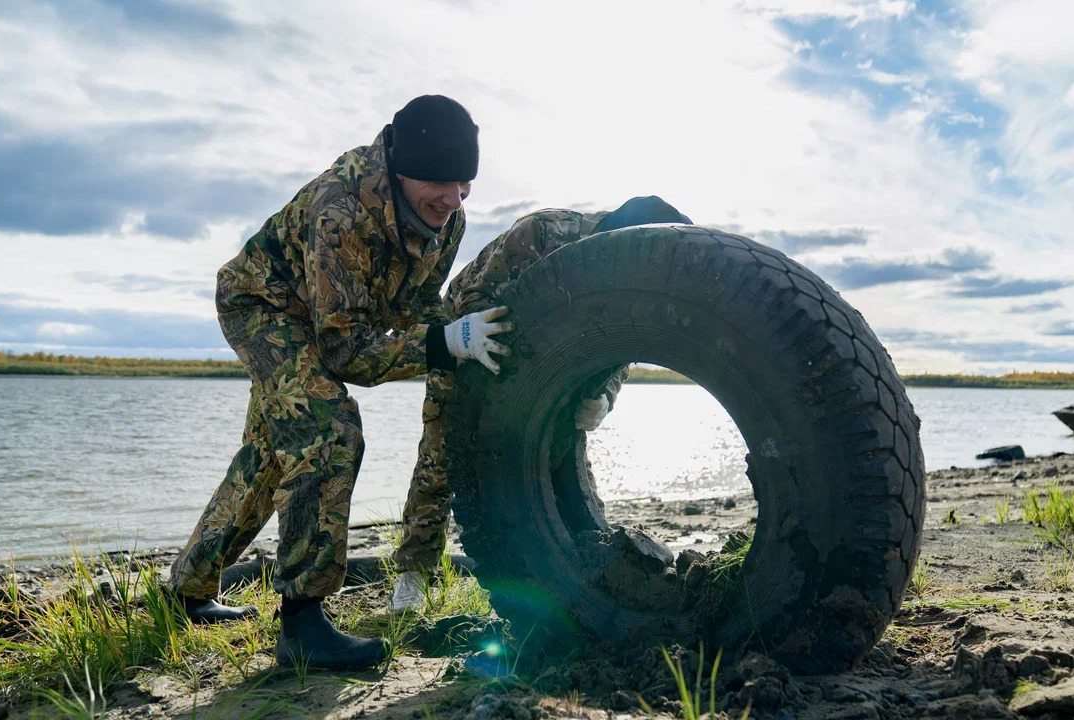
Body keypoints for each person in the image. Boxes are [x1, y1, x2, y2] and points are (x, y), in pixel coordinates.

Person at [166, 95, 512, 670]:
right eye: (442, 182)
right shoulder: (341, 211)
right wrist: (444, 345)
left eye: (465, 184)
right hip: (266, 307)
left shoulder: (445, 220)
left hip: (330, 319)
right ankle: (302, 623)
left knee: (271, 458)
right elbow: (344, 351)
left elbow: (420, 298)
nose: (454, 200)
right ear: (403, 170)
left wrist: (450, 338)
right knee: (328, 431)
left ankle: (185, 593)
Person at [387, 196, 693, 612]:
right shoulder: (546, 234)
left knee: (565, 454)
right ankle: (414, 574)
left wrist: (603, 397)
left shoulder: (641, 274)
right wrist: (506, 378)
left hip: (559, 358)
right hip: (474, 334)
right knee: (440, 456)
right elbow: (477, 299)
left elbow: (625, 343)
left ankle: (586, 551)